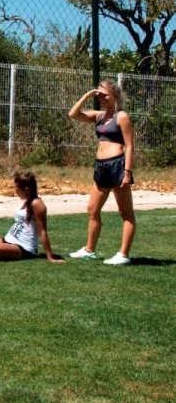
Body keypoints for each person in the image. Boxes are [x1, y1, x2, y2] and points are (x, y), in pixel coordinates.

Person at [67, 80, 135, 266]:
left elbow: (129, 146)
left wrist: (127, 173)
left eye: (105, 95)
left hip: (117, 165)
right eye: (99, 95)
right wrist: (88, 96)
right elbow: (73, 114)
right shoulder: (99, 116)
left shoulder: (122, 116)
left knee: (126, 213)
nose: (101, 98)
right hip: (101, 167)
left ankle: (123, 254)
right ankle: (89, 250)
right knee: (92, 210)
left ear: (114, 96)